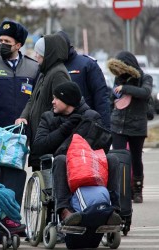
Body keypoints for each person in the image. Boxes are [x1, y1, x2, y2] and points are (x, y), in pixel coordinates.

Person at [32, 81, 122, 226]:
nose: (52, 102)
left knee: (113, 159)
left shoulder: (91, 116)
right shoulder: (48, 117)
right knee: (61, 159)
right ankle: (65, 211)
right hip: (64, 164)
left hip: (89, 163)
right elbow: (38, 147)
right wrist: (63, 129)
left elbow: (101, 146)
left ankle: (113, 211)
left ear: (67, 100)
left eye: (56, 98)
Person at [15, 33, 70, 170]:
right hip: (40, 139)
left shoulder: (58, 74)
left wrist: (46, 127)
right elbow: (32, 100)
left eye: (38, 53)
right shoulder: (44, 73)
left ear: (48, 55)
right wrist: (24, 116)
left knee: (48, 186)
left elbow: (63, 107)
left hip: (49, 142)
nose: (36, 56)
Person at [107, 51, 153, 203]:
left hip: (137, 126)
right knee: (119, 158)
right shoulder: (118, 78)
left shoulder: (145, 78)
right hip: (118, 124)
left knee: (135, 158)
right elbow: (113, 97)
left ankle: (137, 189)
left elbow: (145, 93)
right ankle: (122, 190)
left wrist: (124, 88)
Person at [56, 30, 110, 129]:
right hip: (58, 127)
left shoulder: (87, 64)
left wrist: (104, 130)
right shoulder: (51, 66)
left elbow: (101, 98)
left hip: (84, 125)